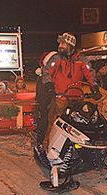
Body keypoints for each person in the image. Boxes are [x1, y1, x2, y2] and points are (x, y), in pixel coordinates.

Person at [38, 32, 99, 170]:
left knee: (79, 125)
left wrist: (94, 86)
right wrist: (48, 85)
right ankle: (47, 147)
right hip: (61, 97)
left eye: (63, 44)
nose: (60, 46)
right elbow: (47, 72)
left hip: (77, 98)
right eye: (60, 43)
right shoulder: (56, 59)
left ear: (70, 45)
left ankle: (78, 151)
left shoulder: (81, 60)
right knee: (55, 122)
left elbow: (89, 73)